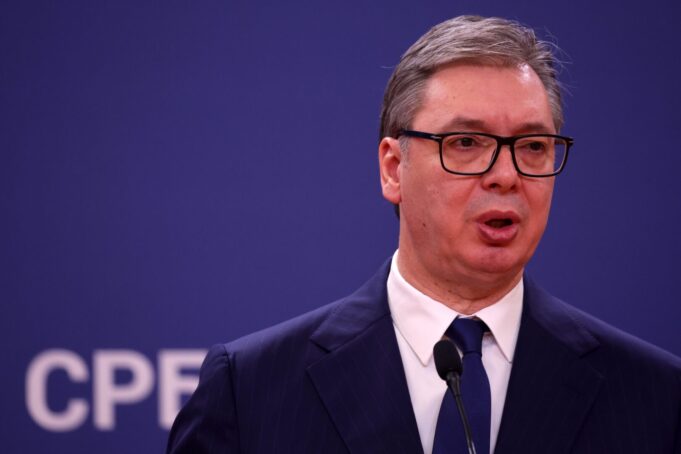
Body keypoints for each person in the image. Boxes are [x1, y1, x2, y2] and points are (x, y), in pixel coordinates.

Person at [167, 15, 681, 454]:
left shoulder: (656, 396)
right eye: (466, 142)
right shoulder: (249, 391)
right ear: (394, 169)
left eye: (533, 146)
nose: (506, 175)